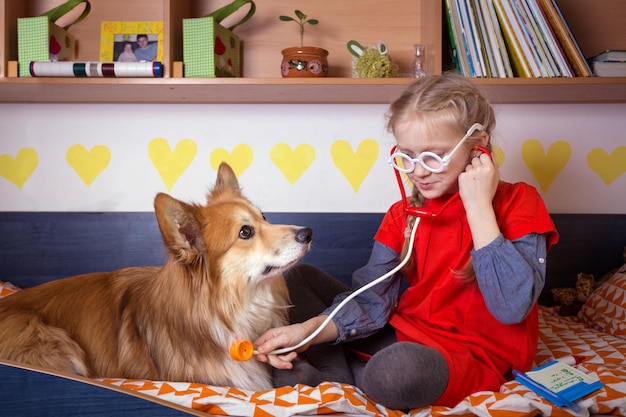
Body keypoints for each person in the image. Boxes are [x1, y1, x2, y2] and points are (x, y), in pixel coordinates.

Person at [254, 73, 559, 410]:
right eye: (408, 155)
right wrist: (306, 330)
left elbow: (511, 307)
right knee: (300, 276)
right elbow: (371, 300)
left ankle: (335, 373)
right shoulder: (403, 215)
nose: (419, 171)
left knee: (398, 371)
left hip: (475, 358)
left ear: (478, 146)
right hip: (405, 330)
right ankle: (335, 376)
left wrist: (478, 207)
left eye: (434, 156)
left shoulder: (520, 202)